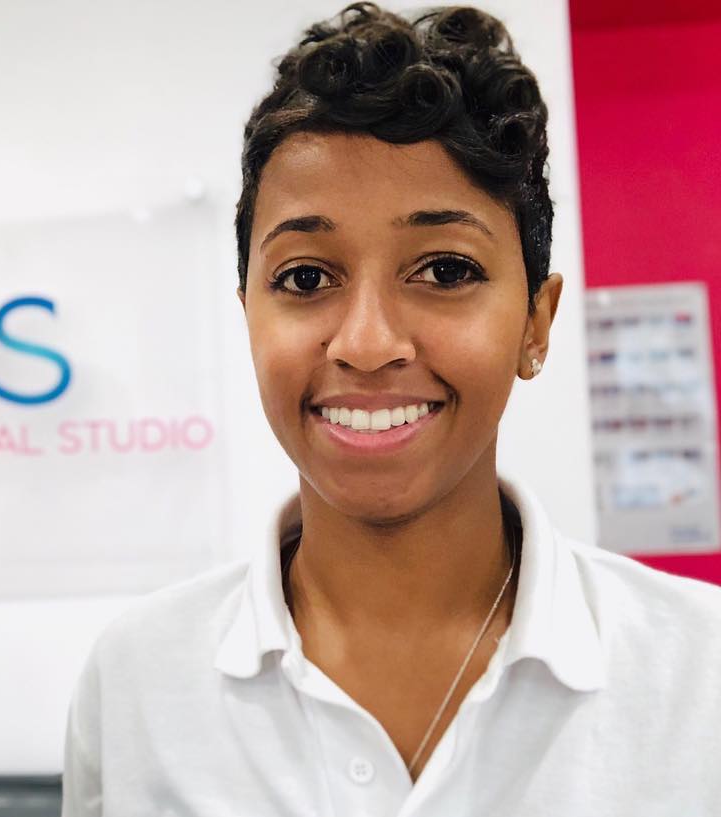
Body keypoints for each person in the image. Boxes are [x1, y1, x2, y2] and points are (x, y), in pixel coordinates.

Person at [62, 4, 721, 815]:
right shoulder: (137, 683)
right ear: (250, 320)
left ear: (535, 325)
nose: (368, 344)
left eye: (445, 270)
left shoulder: (700, 675)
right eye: (306, 278)